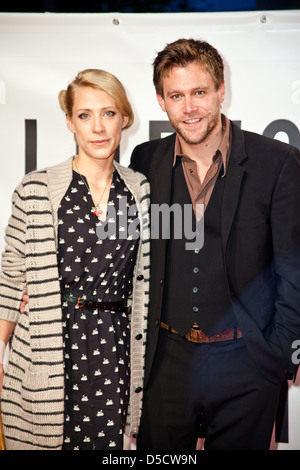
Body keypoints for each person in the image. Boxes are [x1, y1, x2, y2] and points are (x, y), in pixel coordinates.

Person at [130, 38, 300, 450]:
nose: (189, 108)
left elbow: (293, 268)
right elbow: (124, 251)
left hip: (247, 362)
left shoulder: (276, 162)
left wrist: (279, 356)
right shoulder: (144, 160)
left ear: (221, 91)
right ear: (161, 101)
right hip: (165, 363)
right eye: (177, 95)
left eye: (199, 92)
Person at [0, 69, 150, 450]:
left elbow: (146, 281)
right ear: (70, 121)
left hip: (114, 353)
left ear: (125, 118)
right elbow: (12, 276)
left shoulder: (139, 191)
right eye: (84, 115)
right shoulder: (37, 189)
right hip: (46, 349)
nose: (97, 127)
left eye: (109, 113)